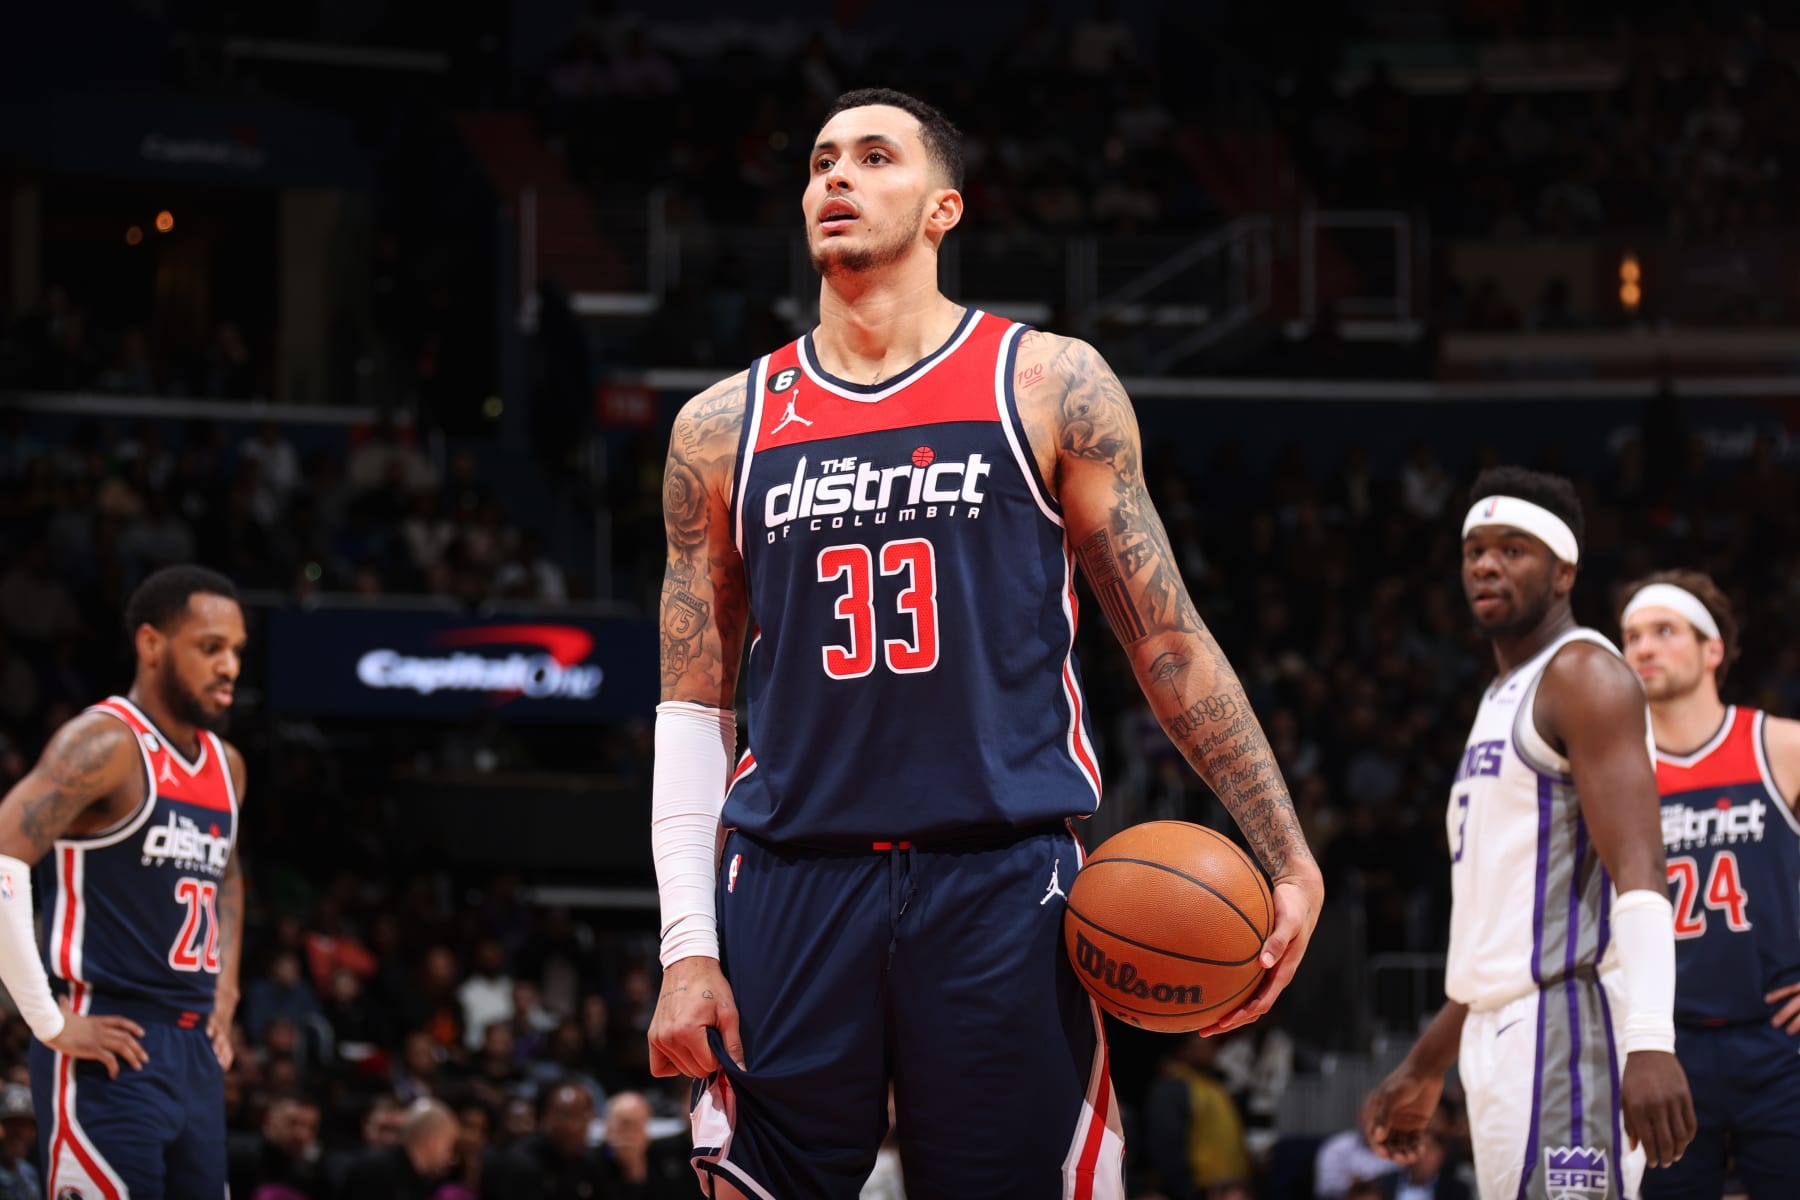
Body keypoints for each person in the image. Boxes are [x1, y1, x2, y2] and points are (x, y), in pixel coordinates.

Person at [648, 86, 1323, 1200]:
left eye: (875, 156)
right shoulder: (723, 425)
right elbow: (693, 705)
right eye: (821, 161)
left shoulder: (1050, 382)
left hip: (1003, 881)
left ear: (944, 207)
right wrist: (686, 946)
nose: (837, 178)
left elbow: (1167, 639)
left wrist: (1285, 849)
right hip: (789, 876)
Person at [1366, 468, 1695, 1198]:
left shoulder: (1585, 675)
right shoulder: (1499, 697)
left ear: (1563, 570)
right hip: (1501, 1034)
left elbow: (1640, 870)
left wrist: (1650, 1040)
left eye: (1513, 549)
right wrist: (1427, 1061)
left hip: (1569, 1027)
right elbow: (1504, 934)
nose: (1486, 563)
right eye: (1474, 549)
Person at [0, 563, 246, 1196]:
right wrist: (47, 1019)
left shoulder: (228, 767)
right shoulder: (103, 746)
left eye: (237, 652)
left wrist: (226, 992)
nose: (230, 667)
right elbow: (1, 860)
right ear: (152, 644)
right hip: (107, 1040)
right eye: (210, 648)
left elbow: (226, 877)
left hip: (193, 1050)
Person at [1617, 570, 1800, 1199]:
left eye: (1663, 631)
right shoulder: (1617, 771)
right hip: (1666, 1046)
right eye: (1631, 636)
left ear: (1712, 648)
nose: (1643, 648)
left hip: (1778, 1041)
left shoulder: (1780, 745)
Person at [339, 1097, 461, 1200]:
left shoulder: (420, 1180)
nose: (450, 1155)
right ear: (433, 1140)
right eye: (449, 1145)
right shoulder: (374, 1171)